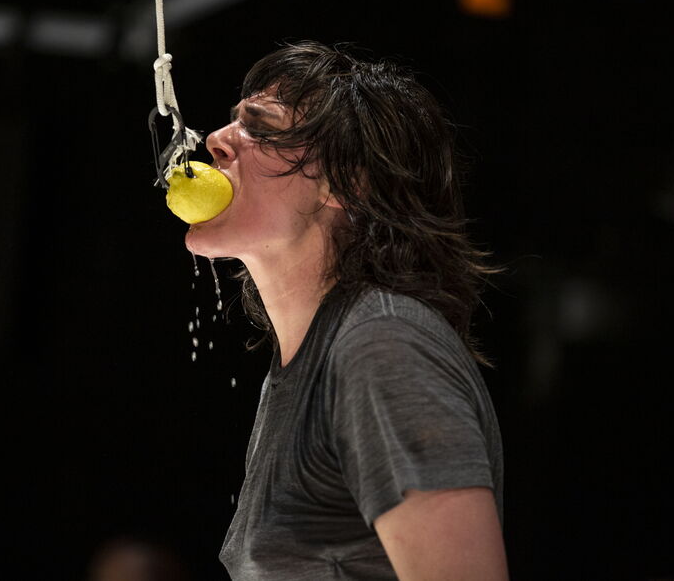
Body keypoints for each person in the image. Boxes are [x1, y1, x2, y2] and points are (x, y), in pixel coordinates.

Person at [185, 40, 508, 580]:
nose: (216, 140)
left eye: (260, 128)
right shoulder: (310, 363)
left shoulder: (384, 345)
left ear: (346, 181)